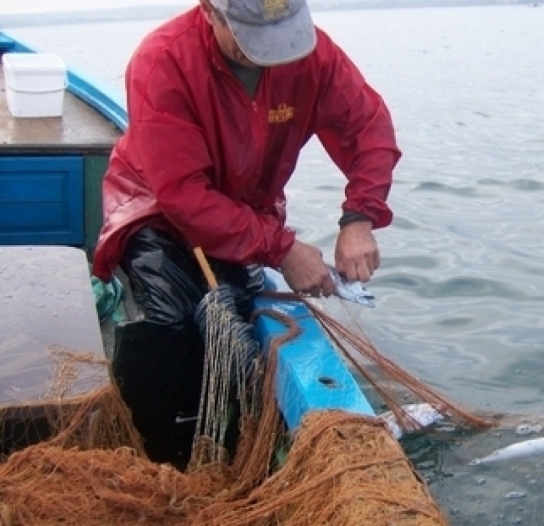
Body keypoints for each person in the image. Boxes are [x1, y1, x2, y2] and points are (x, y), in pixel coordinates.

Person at [91, 0, 401, 466]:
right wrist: (283, 250)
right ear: (211, 12)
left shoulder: (314, 56)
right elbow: (184, 196)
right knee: (172, 321)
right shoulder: (163, 61)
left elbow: (367, 126)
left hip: (248, 210)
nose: (273, 54)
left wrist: (359, 217)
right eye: (253, 34)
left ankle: (231, 445)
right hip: (156, 207)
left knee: (237, 313)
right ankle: (144, 456)